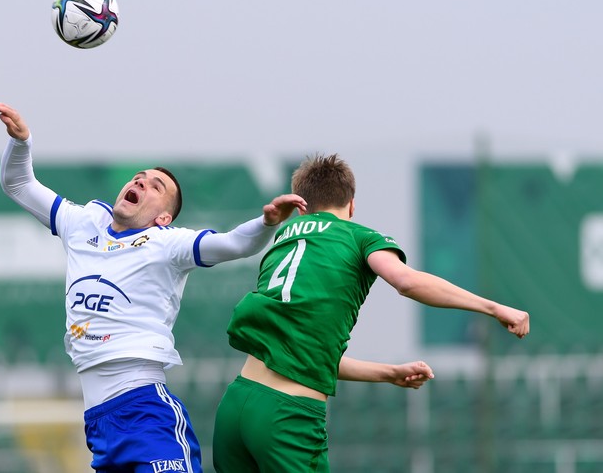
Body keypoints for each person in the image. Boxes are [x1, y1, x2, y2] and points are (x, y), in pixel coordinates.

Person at [0, 98, 307, 473]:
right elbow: (19, 183)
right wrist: (21, 142)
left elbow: (234, 243)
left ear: (164, 217)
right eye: (139, 177)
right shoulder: (83, 222)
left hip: (145, 411)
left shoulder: (167, 243)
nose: (141, 182)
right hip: (100, 425)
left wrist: (267, 222)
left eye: (157, 186)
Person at [212, 154, 530, 473]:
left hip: (236, 406)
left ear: (301, 207)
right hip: (286, 415)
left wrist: (389, 374)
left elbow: (304, 356)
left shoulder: (286, 234)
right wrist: (493, 307)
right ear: (351, 205)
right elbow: (406, 282)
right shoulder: (358, 237)